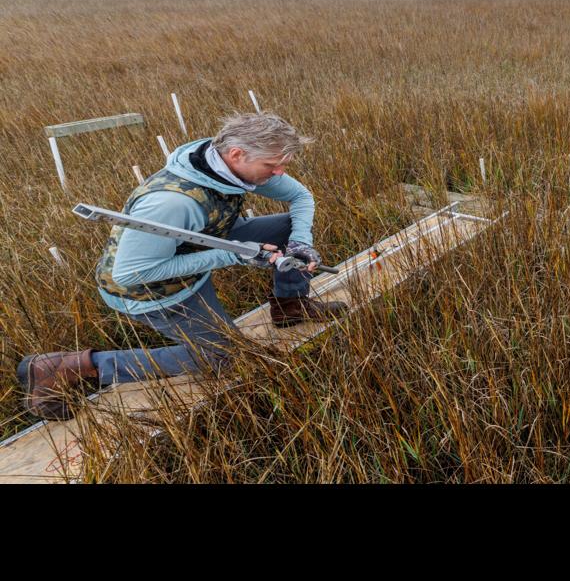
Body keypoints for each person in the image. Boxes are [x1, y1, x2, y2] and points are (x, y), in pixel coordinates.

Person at [16, 112, 346, 420]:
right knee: (224, 358)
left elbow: (301, 197)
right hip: (154, 290)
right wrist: (233, 255)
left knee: (288, 226)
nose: (279, 173)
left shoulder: (230, 167)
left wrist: (300, 242)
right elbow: (131, 274)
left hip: (203, 245)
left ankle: (291, 306)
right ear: (236, 154)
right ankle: (69, 367)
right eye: (273, 165)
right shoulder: (172, 203)